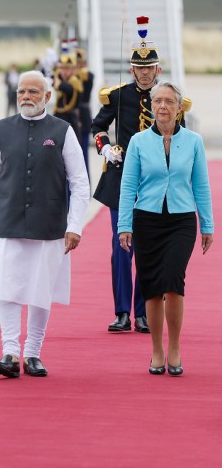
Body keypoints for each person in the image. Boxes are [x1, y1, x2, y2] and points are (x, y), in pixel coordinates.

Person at [0, 70, 89, 378]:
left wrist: (75, 225)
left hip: (49, 224)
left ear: (47, 97)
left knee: (41, 289)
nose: (26, 97)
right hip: (7, 221)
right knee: (8, 286)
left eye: (33, 92)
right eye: (21, 92)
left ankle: (33, 353)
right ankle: (10, 352)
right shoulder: (1, 129)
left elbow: (80, 182)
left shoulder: (63, 131)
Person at [117, 81, 213, 376]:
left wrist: (207, 224)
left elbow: (201, 185)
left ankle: (175, 347)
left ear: (179, 107)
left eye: (169, 101)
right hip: (146, 220)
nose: (162, 106)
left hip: (181, 221)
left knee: (173, 280)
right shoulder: (138, 142)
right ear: (151, 105)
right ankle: (157, 350)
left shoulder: (194, 141)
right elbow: (128, 186)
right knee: (151, 287)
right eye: (157, 101)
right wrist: (124, 224)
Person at [91, 16, 179, 334]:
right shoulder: (118, 96)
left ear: (157, 69)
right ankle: (121, 312)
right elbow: (97, 126)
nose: (144, 73)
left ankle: (143, 312)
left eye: (149, 67)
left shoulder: (168, 99)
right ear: (132, 69)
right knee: (121, 246)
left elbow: (179, 135)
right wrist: (105, 148)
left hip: (155, 182)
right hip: (120, 179)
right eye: (139, 68)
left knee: (148, 247)